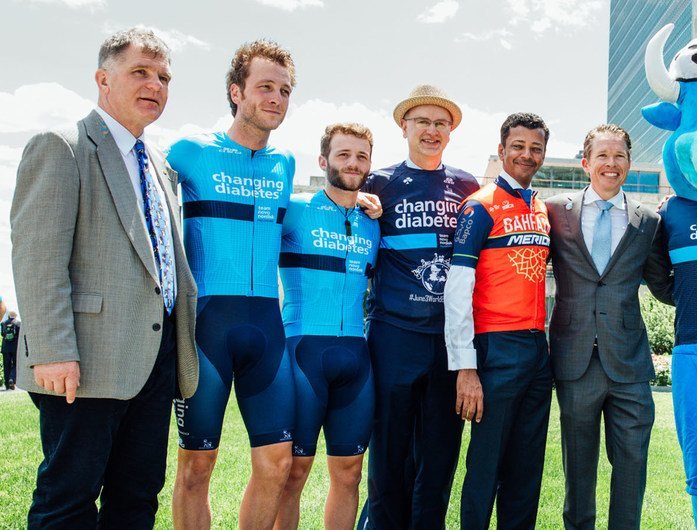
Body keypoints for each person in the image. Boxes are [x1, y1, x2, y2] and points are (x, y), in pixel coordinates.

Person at [11, 28, 199, 528]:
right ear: (103, 79)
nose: (155, 85)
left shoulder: (158, 164)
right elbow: (37, 257)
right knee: (68, 499)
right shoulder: (62, 146)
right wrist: (52, 348)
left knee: (137, 498)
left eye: (163, 77)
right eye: (140, 72)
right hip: (83, 361)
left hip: (154, 361)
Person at [168, 40, 299, 530]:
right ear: (236, 91)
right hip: (207, 328)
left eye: (285, 90)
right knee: (197, 465)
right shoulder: (190, 152)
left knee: (278, 463)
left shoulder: (283, 164)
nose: (276, 98)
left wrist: (362, 200)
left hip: (266, 324)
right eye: (265, 87)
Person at [357, 85, 479, 530]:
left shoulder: (467, 186)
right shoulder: (378, 182)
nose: (432, 130)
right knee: (388, 450)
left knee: (440, 452)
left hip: (448, 342)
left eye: (440, 123)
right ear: (404, 126)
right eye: (423, 121)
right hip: (393, 333)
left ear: (450, 132)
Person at [545, 124, 670, 529]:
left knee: (632, 466)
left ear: (629, 164)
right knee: (578, 470)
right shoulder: (553, 211)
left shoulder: (649, 221)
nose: (611, 164)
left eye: (619, 156)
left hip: (629, 364)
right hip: (574, 359)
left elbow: (663, 284)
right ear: (586, 163)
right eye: (602, 155)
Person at [444, 112, 553, 530]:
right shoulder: (480, 205)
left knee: (526, 470)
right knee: (485, 465)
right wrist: (465, 366)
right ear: (502, 148)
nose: (527, 155)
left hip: (536, 350)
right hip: (494, 347)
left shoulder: (541, 207)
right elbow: (457, 288)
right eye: (519, 146)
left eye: (536, 148)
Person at [273, 123, 380, 530]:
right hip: (302, 352)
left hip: (356, 355)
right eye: (343, 154)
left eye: (361, 156)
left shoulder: (373, 220)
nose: (353, 163)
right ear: (324, 160)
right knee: (292, 471)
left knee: (350, 471)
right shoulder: (296, 209)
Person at [1, 305, 18, 391]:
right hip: (15, 348)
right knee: (15, 364)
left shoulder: (3, 324)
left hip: (5, 348)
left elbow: (2, 334)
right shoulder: (18, 324)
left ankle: (7, 384)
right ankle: (12, 379)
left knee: (6, 365)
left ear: (8, 316)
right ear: (15, 316)